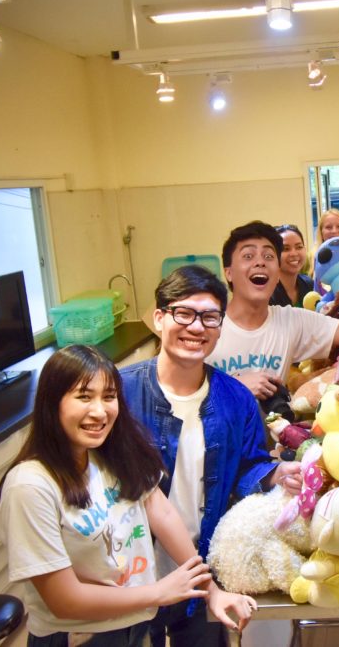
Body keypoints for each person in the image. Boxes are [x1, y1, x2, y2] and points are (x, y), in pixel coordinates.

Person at [0, 344, 257, 646]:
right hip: (80, 637)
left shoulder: (109, 453)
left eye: (109, 396)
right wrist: (158, 592)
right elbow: (64, 600)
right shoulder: (30, 486)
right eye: (84, 396)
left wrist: (211, 590)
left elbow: (163, 513)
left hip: (134, 623)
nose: (100, 411)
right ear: (52, 403)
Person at [119, 266, 302, 646]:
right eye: (184, 313)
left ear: (220, 327)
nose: (196, 327)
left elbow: (249, 465)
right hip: (130, 569)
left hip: (202, 567)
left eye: (209, 317)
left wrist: (275, 473)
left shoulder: (236, 399)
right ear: (159, 318)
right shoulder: (121, 393)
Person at [207, 221, 339, 400]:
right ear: (229, 273)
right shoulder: (206, 327)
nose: (260, 262)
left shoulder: (290, 320)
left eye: (268, 256)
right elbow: (184, 393)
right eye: (248, 256)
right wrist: (236, 388)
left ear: (277, 273)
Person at [269, 224, 314, 307]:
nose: (294, 253)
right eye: (285, 249)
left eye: (299, 247)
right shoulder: (267, 292)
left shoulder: (309, 284)